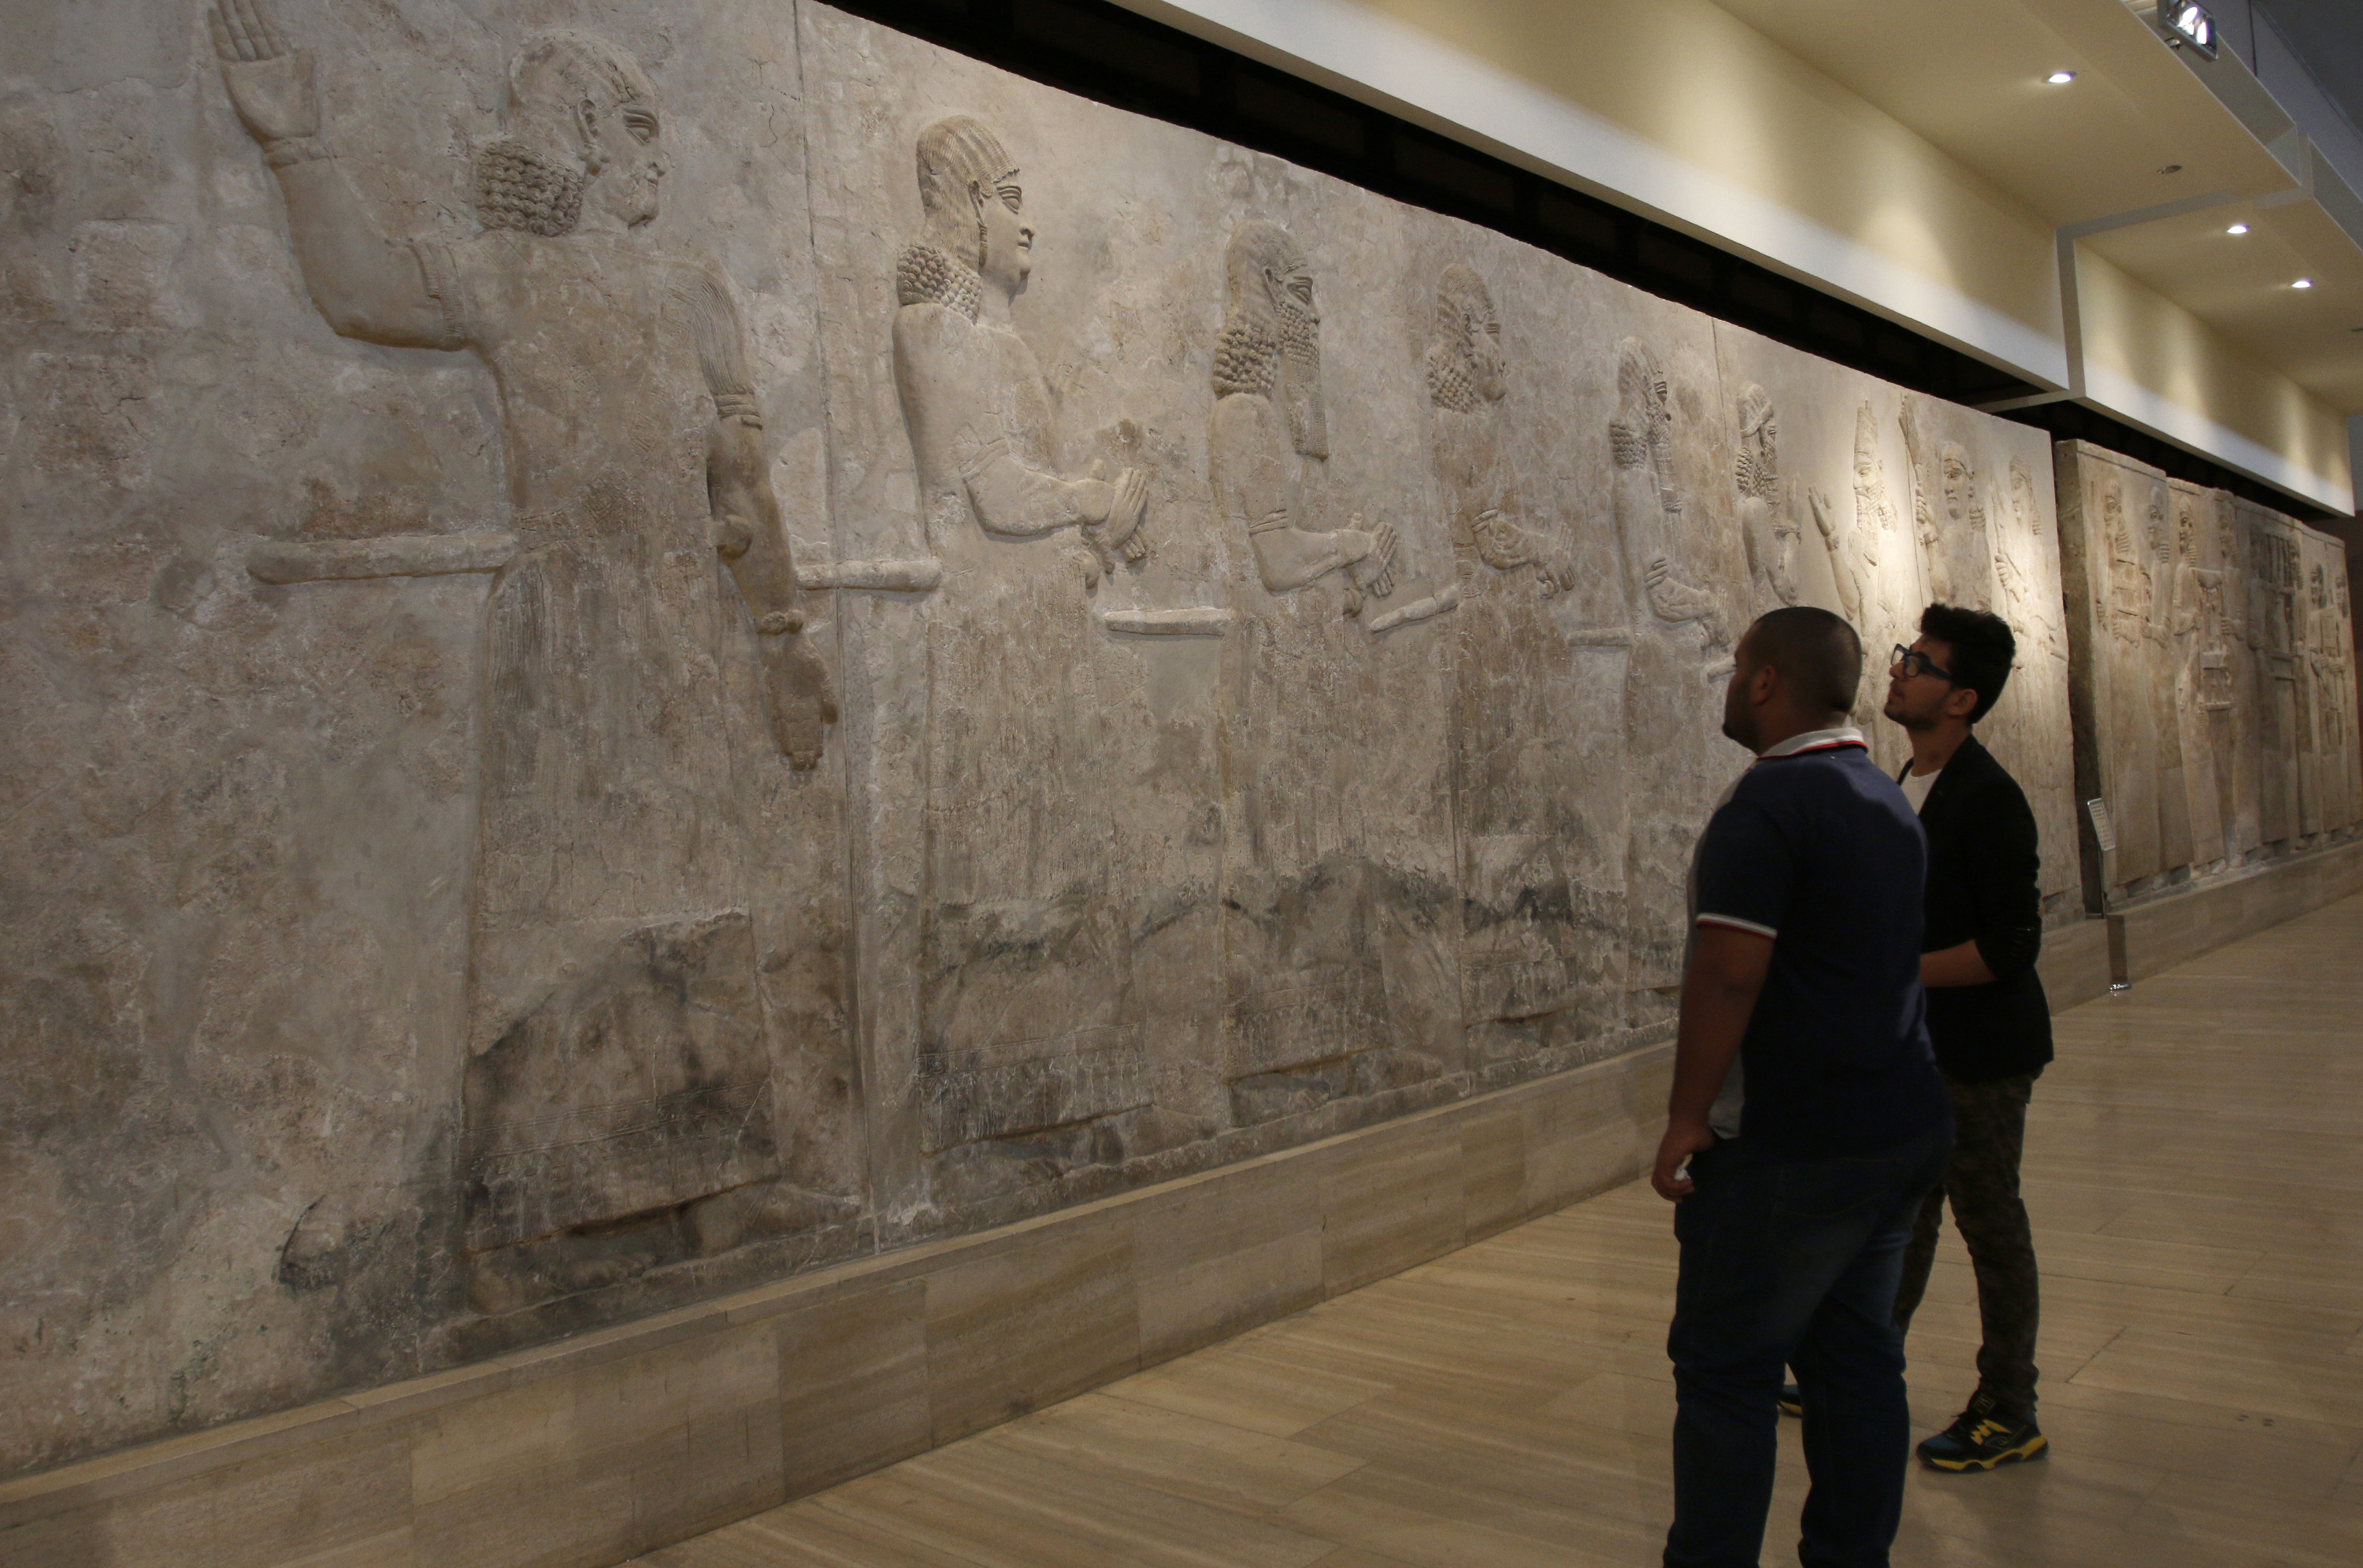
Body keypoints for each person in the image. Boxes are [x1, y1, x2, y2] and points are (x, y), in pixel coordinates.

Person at [1653, 606, 1953, 1568]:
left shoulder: (1768, 809)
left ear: (1771, 680)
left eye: (1740, 667)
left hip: (1795, 1143)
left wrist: (1687, 1114)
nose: (1732, 684)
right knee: (1856, 1358)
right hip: (1895, 1122)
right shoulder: (1881, 796)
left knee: (1727, 1372)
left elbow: (1731, 972)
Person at [1883, 604, 2055, 1471]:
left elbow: (2008, 946)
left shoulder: (1989, 798)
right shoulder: (1902, 779)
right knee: (1904, 1215)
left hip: (1981, 1050)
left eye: (1919, 661)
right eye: (1905, 655)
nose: (1901, 668)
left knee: (1989, 1221)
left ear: (1963, 698)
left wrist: (1896, 973)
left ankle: (2009, 1403)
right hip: (1916, 1046)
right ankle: (1869, 1361)